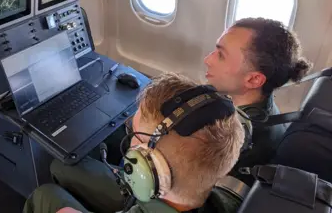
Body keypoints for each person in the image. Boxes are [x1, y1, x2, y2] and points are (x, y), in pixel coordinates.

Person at [23, 72, 245, 213]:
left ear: (150, 170)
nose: (129, 143)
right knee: (60, 167)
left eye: (135, 137)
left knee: (45, 196)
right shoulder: (228, 199)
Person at [203, 17, 312, 184]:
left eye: (221, 55)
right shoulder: (260, 108)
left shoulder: (235, 139)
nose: (208, 59)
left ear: (254, 80)